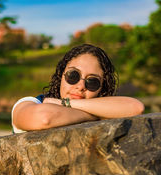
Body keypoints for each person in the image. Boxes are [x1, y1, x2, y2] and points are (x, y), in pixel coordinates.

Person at [12, 44, 144, 133]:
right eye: (73, 75)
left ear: (101, 89)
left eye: (92, 82)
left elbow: (136, 108)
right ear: (61, 75)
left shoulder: (56, 101)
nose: (80, 86)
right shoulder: (31, 103)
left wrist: (64, 103)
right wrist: (97, 116)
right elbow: (45, 118)